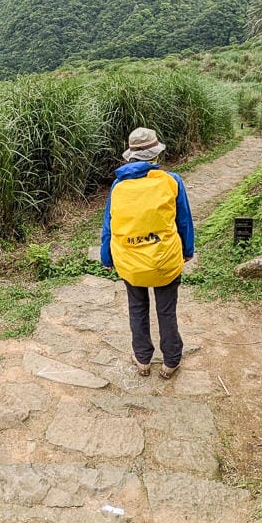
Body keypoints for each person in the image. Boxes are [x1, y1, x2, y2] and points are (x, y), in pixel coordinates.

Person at [100, 127, 194, 379]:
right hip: (165, 260)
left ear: (131, 155)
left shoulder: (118, 185)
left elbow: (109, 225)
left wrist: (107, 258)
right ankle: (171, 361)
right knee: (166, 310)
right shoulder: (171, 181)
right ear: (155, 155)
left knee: (137, 308)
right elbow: (184, 221)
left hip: (130, 261)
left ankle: (142, 359)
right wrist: (187, 251)